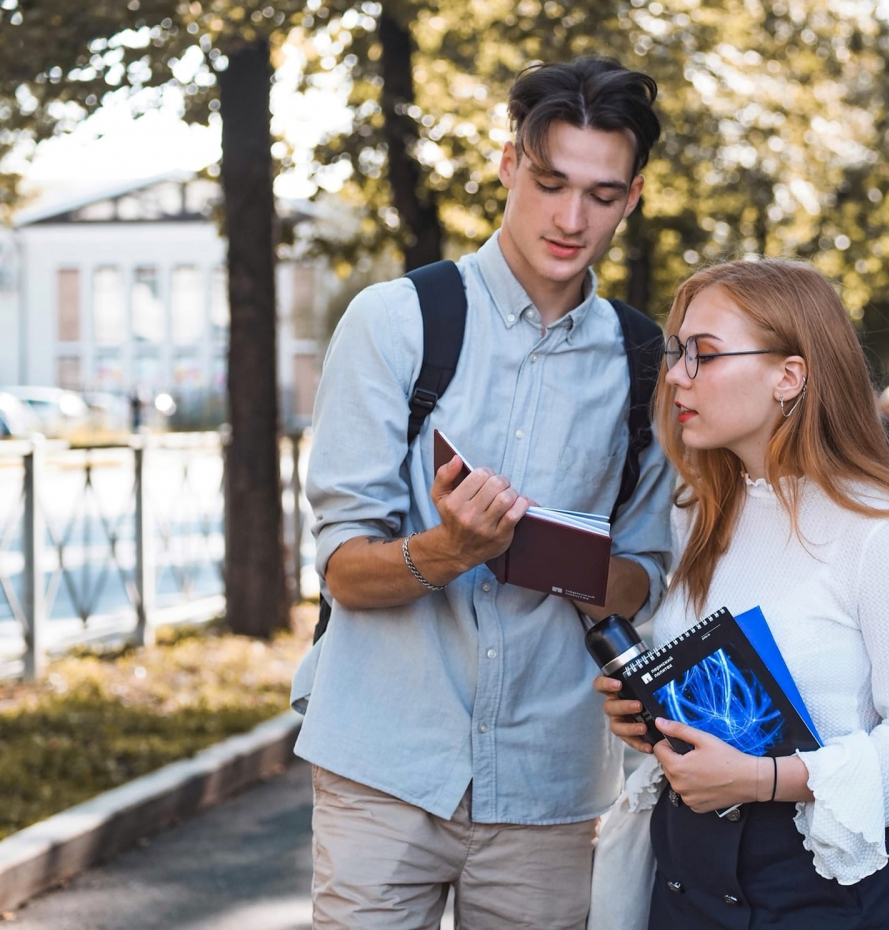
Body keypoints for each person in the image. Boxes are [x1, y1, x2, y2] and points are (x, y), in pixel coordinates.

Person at [291, 58, 675, 930]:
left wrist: (567, 563)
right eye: (550, 183)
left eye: (603, 195)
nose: (572, 219)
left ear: (634, 196)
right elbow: (342, 570)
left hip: (550, 787)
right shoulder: (395, 322)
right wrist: (451, 550)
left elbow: (646, 574)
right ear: (508, 165)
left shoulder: (645, 364)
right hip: (384, 767)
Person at [595, 260, 889, 929]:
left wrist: (764, 780)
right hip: (685, 885)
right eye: (677, 353)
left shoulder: (880, 535)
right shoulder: (700, 510)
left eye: (703, 354)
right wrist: (653, 720)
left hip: (815, 892)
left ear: (788, 377)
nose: (676, 374)